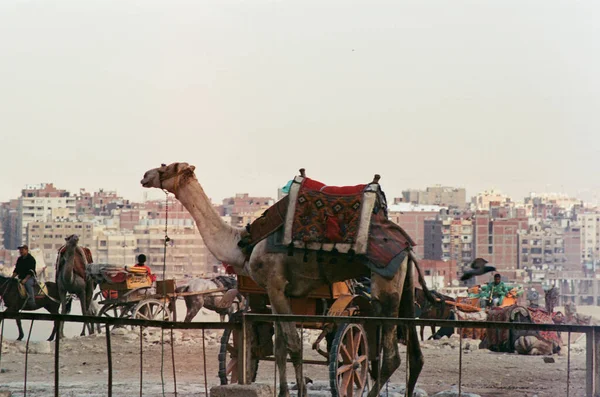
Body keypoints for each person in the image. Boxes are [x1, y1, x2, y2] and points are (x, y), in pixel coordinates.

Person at [12, 244, 36, 308]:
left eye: (22, 249)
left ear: (26, 250)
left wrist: (25, 279)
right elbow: (16, 270)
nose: (21, 251)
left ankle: (32, 301)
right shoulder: (19, 259)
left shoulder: (31, 259)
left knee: (28, 285)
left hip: (29, 278)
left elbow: (31, 271)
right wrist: (11, 278)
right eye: (20, 250)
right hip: (21, 278)